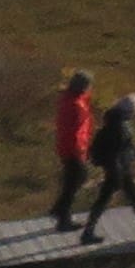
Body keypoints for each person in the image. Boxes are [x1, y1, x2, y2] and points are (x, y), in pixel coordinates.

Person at [78, 87, 135, 242]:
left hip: (120, 168)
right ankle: (88, 233)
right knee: (107, 201)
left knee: (129, 198)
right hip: (117, 170)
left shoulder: (118, 122)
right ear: (130, 111)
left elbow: (127, 145)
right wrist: (116, 172)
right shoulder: (118, 127)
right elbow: (116, 150)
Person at [48, 68, 97, 236]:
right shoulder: (76, 105)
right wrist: (80, 151)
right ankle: (63, 219)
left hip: (67, 146)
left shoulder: (69, 99)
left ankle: (59, 210)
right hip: (73, 148)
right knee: (77, 179)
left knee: (73, 180)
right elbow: (75, 132)